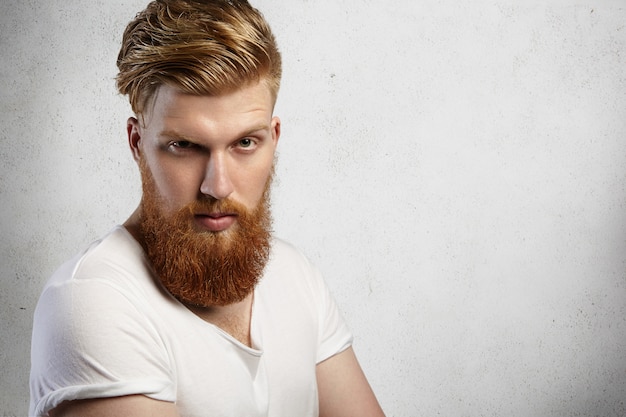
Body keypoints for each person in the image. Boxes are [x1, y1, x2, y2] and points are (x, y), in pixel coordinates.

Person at [29, 1, 385, 416]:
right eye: (184, 146)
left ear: (274, 137)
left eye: (245, 143)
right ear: (137, 143)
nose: (217, 185)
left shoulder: (295, 275)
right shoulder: (92, 300)